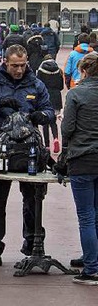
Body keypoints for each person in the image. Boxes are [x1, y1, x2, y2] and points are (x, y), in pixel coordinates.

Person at [0, 44, 54, 266]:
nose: (19, 70)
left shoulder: (36, 84)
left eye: (23, 65)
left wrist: (39, 116)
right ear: (5, 61)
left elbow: (49, 110)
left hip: (30, 152)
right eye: (15, 65)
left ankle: (32, 242)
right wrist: (0, 102)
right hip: (0, 150)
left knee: (33, 201)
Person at [60, 52, 98, 285]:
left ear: (83, 71)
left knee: (86, 216)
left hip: (82, 158)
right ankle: (93, 257)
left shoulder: (75, 94)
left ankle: (91, 267)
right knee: (97, 214)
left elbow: (67, 129)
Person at [36, 55, 64, 153]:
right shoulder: (59, 71)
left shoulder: (40, 71)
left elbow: (37, 85)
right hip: (56, 97)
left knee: (45, 123)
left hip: (45, 97)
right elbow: (61, 86)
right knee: (53, 121)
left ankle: (47, 145)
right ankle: (56, 138)